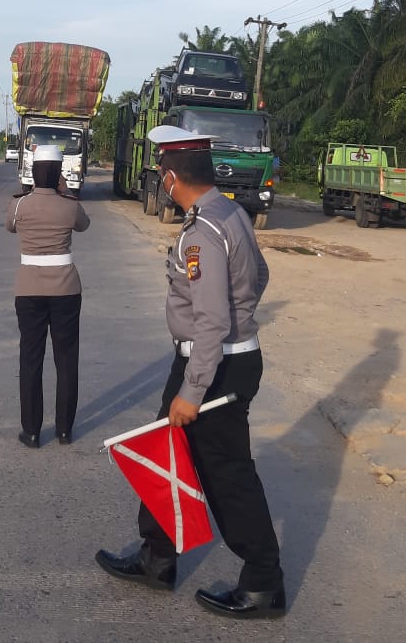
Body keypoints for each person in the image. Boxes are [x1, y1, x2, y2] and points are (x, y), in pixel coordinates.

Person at [96, 124, 286, 620]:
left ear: (173, 178)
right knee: (167, 451)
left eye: (162, 175)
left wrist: (194, 389)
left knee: (228, 474)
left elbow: (213, 320)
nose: (162, 183)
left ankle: (264, 581)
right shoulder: (232, 212)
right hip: (212, 357)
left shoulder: (203, 232)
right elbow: (260, 276)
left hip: (215, 365)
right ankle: (156, 557)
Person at [6, 144, 90, 449]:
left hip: (28, 290)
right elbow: (84, 224)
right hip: (66, 289)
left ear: (32, 172)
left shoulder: (18, 206)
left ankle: (31, 432)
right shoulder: (69, 205)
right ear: (58, 174)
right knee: (66, 359)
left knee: (30, 359)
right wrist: (66, 192)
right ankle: (65, 431)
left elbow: (9, 228)